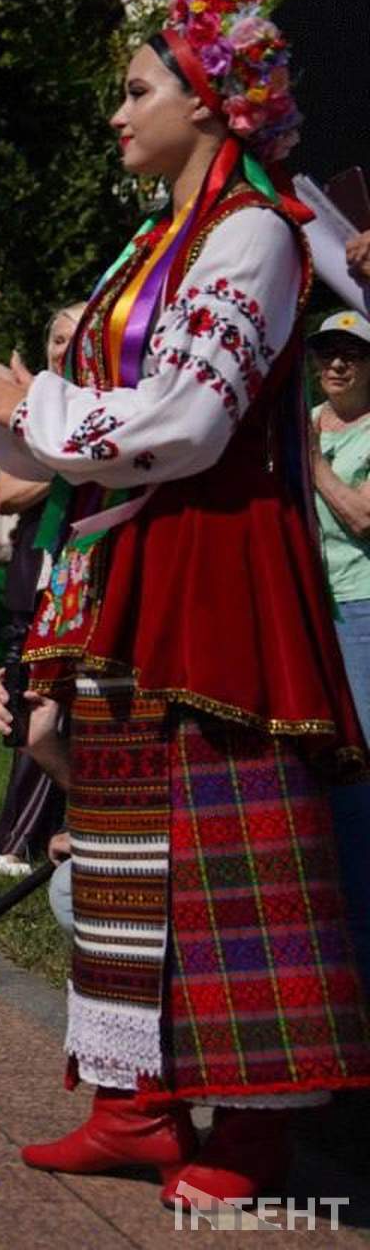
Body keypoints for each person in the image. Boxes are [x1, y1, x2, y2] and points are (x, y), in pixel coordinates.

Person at [0, 0, 370, 1209]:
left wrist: (35, 409)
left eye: (137, 88)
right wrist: (21, 417)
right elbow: (93, 424)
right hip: (127, 561)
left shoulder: (257, 232)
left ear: (210, 102)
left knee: (222, 831)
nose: (117, 112)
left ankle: (254, 1129)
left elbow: (194, 417)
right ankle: (137, 1100)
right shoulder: (153, 241)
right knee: (118, 832)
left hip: (218, 563)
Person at [0, 303, 85, 864]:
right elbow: (5, 493)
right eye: (56, 339)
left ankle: (73, 826)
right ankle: (18, 841)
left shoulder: (113, 406)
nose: (63, 349)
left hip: (87, 567)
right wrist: (72, 461)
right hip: (39, 571)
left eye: (75, 338)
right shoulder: (33, 408)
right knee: (28, 698)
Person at [304, 308, 370, 974]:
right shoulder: (302, 424)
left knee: (359, 766)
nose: (338, 363)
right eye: (327, 351)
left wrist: (314, 465)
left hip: (359, 609)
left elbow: (364, 516)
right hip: (302, 611)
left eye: (353, 352)